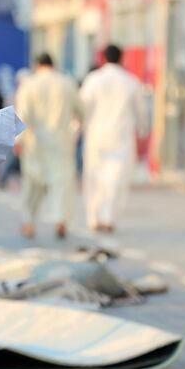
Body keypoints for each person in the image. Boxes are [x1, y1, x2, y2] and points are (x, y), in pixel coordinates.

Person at [80, 45, 147, 233]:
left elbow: (82, 107)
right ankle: (108, 217)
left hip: (96, 135)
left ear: (103, 58)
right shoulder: (131, 81)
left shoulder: (93, 80)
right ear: (121, 58)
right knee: (115, 179)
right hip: (121, 137)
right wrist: (142, 132)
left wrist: (76, 129)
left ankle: (93, 218)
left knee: (94, 177)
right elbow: (141, 111)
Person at [15, 53, 82, 239]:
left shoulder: (28, 84)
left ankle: (29, 223)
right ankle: (61, 220)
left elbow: (22, 115)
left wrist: (18, 141)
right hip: (61, 142)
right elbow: (80, 111)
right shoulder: (67, 83)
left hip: (35, 142)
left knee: (32, 184)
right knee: (62, 183)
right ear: (54, 65)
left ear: (37, 65)